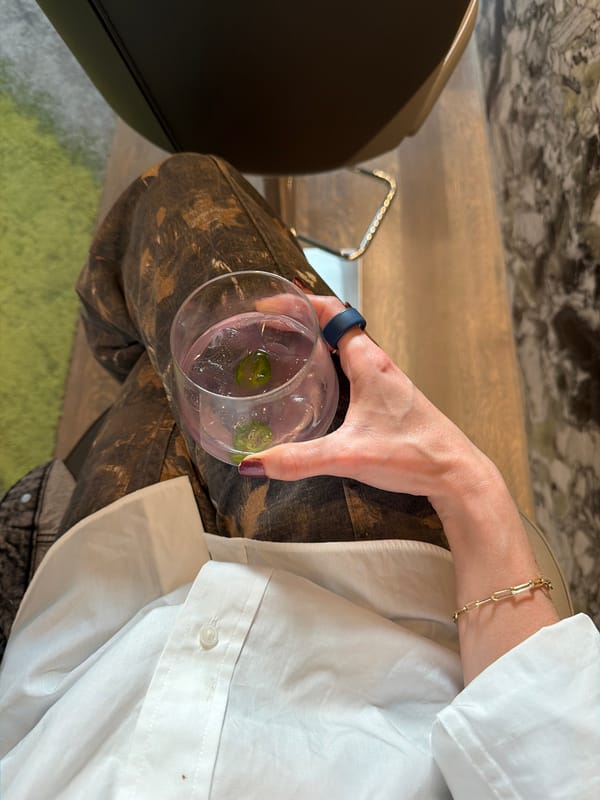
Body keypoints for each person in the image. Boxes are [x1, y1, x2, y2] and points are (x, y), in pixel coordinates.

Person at [0, 154, 598, 799]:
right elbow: (548, 737)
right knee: (208, 275)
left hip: (96, 634)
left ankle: (143, 372)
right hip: (372, 600)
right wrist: (460, 478)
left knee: (180, 216)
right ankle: (152, 375)